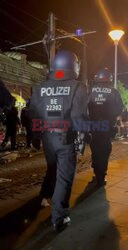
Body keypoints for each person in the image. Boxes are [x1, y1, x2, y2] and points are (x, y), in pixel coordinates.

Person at [30, 50, 87, 231]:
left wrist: (36, 136)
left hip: (47, 138)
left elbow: (33, 113)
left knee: (52, 168)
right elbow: (79, 116)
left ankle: (45, 195)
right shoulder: (78, 87)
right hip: (65, 138)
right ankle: (59, 218)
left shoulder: (40, 87)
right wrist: (83, 135)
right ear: (74, 66)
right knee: (64, 177)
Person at [88, 68, 123, 187]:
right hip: (107, 127)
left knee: (95, 150)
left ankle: (96, 172)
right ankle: (101, 175)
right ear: (109, 79)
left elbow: (83, 107)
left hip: (93, 127)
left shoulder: (91, 90)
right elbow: (120, 109)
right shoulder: (114, 92)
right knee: (105, 150)